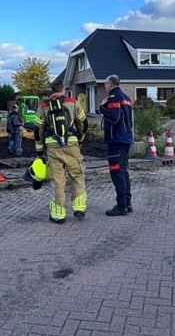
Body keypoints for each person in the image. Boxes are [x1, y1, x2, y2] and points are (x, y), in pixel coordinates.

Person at [34, 80, 87, 224]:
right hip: (71, 143)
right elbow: (83, 122)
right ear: (63, 89)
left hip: (52, 146)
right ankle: (79, 208)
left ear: (52, 91)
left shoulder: (43, 106)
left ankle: (58, 215)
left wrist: (39, 151)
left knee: (57, 181)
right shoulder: (73, 102)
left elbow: (38, 130)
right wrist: (80, 139)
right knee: (77, 176)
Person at [98, 75, 134, 216]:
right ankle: (127, 203)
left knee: (117, 172)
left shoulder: (113, 98)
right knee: (123, 172)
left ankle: (121, 206)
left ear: (111, 84)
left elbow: (114, 117)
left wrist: (102, 108)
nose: (104, 86)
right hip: (125, 139)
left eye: (105, 83)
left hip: (116, 140)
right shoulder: (126, 97)